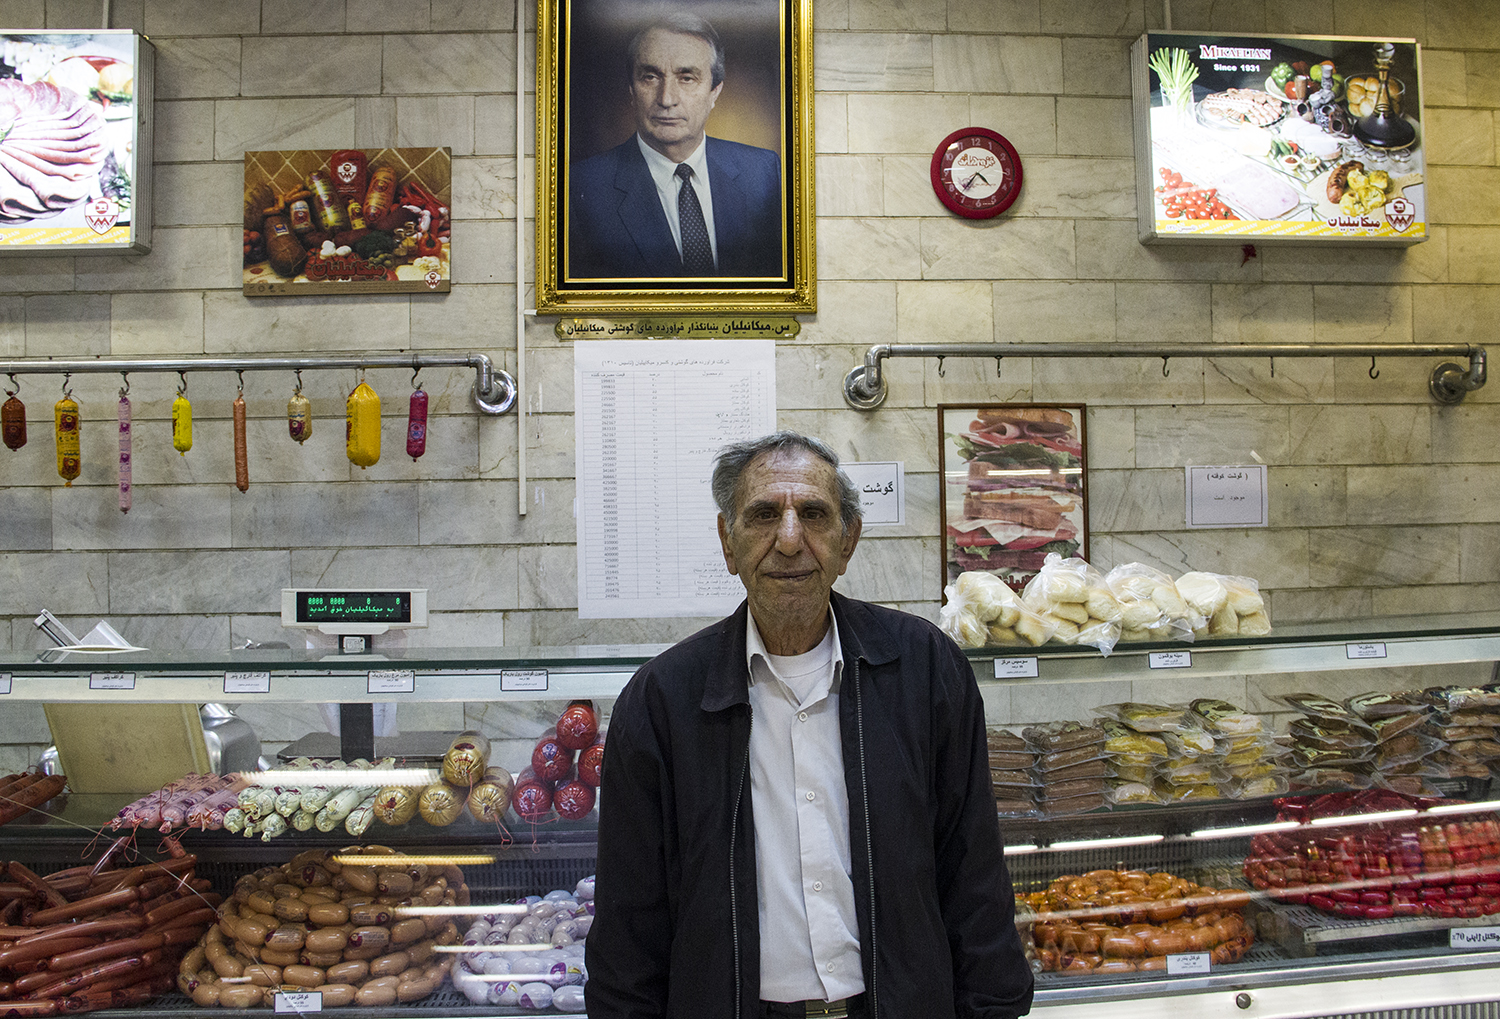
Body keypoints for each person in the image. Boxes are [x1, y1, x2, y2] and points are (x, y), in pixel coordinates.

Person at [586, 431, 1035, 1019]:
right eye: (764, 515)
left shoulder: (924, 670)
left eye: (815, 515)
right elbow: (629, 923)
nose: (790, 540)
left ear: (847, 541)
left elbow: (972, 873)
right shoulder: (662, 701)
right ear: (729, 542)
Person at [567, 11, 783, 280]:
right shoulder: (579, 188)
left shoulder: (764, 172)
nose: (667, 99)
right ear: (632, 91)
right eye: (650, 77)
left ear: (714, 92)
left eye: (687, 78)